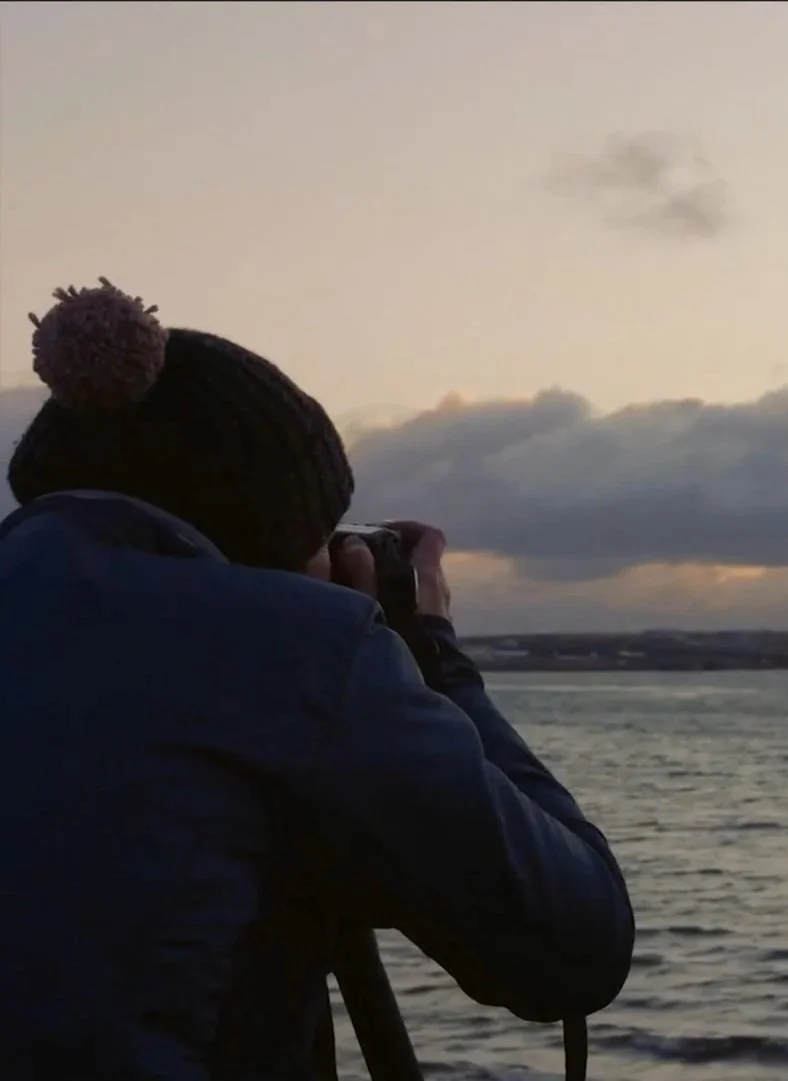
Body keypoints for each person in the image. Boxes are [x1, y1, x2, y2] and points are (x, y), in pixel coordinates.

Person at [0, 280, 635, 1081]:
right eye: (320, 532)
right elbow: (576, 946)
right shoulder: (289, 649)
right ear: (265, 542)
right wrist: (430, 655)